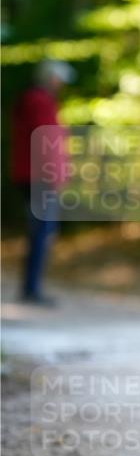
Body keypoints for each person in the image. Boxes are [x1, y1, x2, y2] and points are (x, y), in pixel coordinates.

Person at [10, 59, 75, 306]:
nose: (61, 85)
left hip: (33, 175)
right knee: (42, 231)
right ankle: (31, 289)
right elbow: (46, 141)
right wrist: (56, 175)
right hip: (40, 178)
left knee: (40, 230)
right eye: (59, 80)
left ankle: (31, 287)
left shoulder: (35, 99)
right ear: (51, 78)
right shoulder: (39, 101)